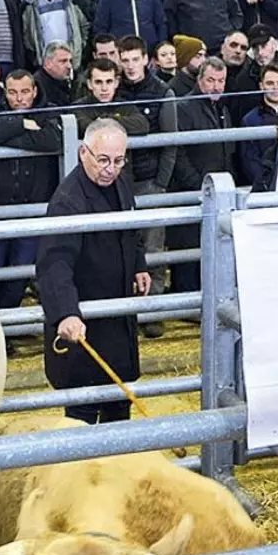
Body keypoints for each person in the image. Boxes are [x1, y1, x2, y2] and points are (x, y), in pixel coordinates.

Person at [36, 117, 151, 425]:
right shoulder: (67, 201)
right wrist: (65, 313)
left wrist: (139, 265)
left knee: (118, 399)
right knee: (83, 411)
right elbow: (53, 263)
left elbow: (132, 227)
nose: (110, 168)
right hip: (84, 317)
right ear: (82, 152)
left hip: (117, 310)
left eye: (117, 160)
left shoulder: (121, 182)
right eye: (102, 160)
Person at [0, 70, 61, 310]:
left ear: (34, 91)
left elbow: (52, 140)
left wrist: (3, 136)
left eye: (24, 92)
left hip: (33, 208)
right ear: (5, 92)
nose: (19, 98)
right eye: (12, 92)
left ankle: (9, 325)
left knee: (19, 275)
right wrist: (19, 124)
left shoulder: (48, 112)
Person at [118, 36, 177, 334]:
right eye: (124, 60)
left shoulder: (162, 92)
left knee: (153, 248)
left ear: (145, 59)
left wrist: (161, 183)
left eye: (134, 59)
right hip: (118, 182)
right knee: (122, 247)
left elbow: (171, 143)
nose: (129, 66)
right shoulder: (113, 91)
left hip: (149, 180)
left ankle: (152, 310)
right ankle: (126, 311)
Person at [169, 57, 235, 292]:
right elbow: (179, 153)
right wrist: (197, 184)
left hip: (215, 189)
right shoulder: (184, 108)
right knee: (188, 249)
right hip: (192, 190)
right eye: (211, 80)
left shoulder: (223, 109)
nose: (216, 86)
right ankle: (185, 301)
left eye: (221, 81)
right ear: (199, 80)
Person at [21, 0, 90, 71]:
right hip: (45, 64)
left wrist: (79, 48)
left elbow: (84, 26)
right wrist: (35, 57)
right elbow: (27, 35)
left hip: (71, 62)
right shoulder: (29, 5)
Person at [236, 61, 278, 187]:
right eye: (270, 83)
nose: (275, 87)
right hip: (265, 188)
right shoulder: (250, 120)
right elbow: (249, 162)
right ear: (261, 86)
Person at [76, 58, 150, 141]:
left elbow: (143, 125)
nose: (104, 88)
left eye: (109, 82)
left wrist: (109, 119)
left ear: (116, 83)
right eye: (98, 82)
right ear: (89, 84)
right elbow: (86, 128)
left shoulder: (124, 105)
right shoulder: (78, 107)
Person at [33, 41, 74, 107]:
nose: (69, 66)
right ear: (48, 63)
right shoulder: (37, 85)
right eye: (63, 61)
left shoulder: (66, 82)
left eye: (70, 61)